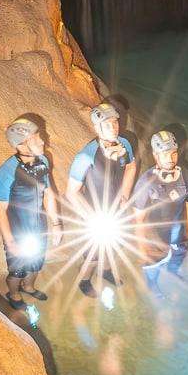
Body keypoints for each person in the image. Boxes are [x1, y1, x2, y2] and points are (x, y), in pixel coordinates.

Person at [66, 102, 137, 299]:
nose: (113, 128)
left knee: (114, 245)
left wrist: (124, 197)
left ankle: (105, 271)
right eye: (107, 125)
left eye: (115, 122)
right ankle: (84, 279)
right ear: (96, 128)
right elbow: (71, 193)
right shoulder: (86, 157)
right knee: (93, 254)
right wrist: (93, 219)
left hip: (116, 211)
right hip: (94, 214)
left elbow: (131, 167)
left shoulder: (125, 144)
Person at [0, 117, 59, 310]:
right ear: (21, 144)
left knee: (37, 263)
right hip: (17, 231)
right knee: (17, 271)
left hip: (38, 226)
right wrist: (10, 242)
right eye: (36, 138)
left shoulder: (43, 161)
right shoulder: (7, 172)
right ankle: (13, 292)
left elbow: (48, 193)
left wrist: (56, 225)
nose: (42, 141)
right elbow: (0, 211)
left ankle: (29, 287)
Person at [129, 127, 188, 292]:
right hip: (153, 233)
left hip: (175, 226)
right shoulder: (146, 183)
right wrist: (142, 250)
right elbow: (138, 220)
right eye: (165, 154)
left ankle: (173, 272)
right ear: (155, 155)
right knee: (152, 264)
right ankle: (154, 288)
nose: (170, 158)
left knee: (179, 252)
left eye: (173, 153)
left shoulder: (186, 176)